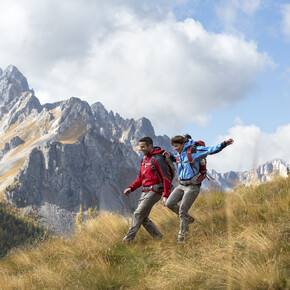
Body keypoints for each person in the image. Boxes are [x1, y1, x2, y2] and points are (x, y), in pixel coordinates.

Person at [164, 134, 234, 243]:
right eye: (173, 147)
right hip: (181, 185)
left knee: (182, 210)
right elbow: (179, 160)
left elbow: (210, 150)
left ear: (182, 144)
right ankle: (188, 219)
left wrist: (224, 143)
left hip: (192, 187)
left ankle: (182, 239)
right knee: (169, 203)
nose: (175, 148)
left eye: (176, 146)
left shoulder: (194, 151)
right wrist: (171, 156)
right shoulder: (179, 154)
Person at [122, 136, 172, 243]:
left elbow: (166, 177)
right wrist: (131, 188)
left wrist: (165, 195)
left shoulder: (158, 159)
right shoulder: (144, 160)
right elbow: (141, 178)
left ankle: (126, 242)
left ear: (150, 146)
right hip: (144, 192)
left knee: (137, 214)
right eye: (140, 147)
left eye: (143, 147)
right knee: (143, 219)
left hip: (155, 192)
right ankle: (159, 239)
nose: (141, 149)